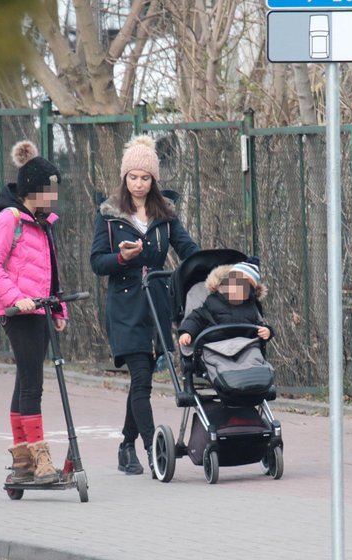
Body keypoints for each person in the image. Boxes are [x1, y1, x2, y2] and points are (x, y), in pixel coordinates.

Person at [90, 135, 199, 477]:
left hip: (157, 304)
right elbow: (97, 263)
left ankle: (125, 445)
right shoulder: (109, 215)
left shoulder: (164, 216)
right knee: (141, 378)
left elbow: (188, 251)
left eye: (145, 177)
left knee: (143, 380)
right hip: (124, 307)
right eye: (133, 177)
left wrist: (212, 269)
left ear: (154, 181)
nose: (139, 183)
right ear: (125, 178)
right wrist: (121, 258)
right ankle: (153, 449)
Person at [0, 140, 68, 485]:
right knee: (33, 383)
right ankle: (40, 459)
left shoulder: (43, 223)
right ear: (33, 190)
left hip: (40, 310)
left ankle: (22, 459)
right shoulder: (8, 220)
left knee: (24, 380)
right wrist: (17, 299)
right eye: (50, 190)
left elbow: (51, 270)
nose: (55, 197)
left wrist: (58, 307)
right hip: (18, 312)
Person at [177, 261, 272, 347]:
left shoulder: (251, 307)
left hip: (244, 348)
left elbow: (258, 325)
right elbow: (197, 318)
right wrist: (187, 332)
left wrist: (267, 331)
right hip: (215, 346)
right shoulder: (213, 301)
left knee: (255, 359)